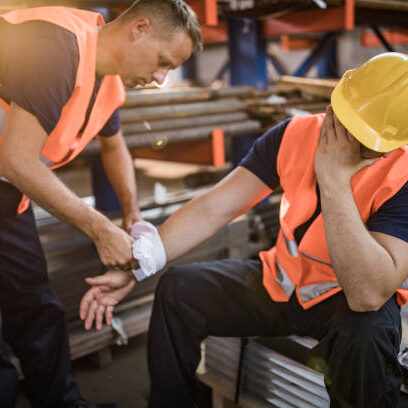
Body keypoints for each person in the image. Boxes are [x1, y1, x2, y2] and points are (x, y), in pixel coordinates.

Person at [80, 52, 408, 408]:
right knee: (177, 290)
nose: (348, 142)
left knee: (369, 336)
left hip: (345, 304)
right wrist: (138, 264)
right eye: (344, 123)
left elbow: (368, 293)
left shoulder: (403, 176)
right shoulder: (293, 135)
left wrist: (333, 179)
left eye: (366, 141)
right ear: (334, 105)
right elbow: (213, 208)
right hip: (281, 285)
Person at [0, 1, 201, 407]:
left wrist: (131, 214)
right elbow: (17, 160)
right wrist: (100, 229)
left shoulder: (108, 79)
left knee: (36, 307)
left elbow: (114, 146)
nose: (160, 79)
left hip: (7, 196)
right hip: (10, 174)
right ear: (139, 28)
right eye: (162, 62)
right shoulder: (58, 44)